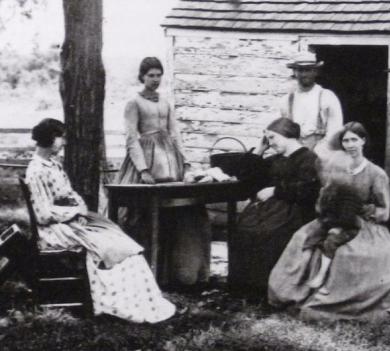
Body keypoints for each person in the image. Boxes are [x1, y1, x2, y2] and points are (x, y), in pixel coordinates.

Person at [25, 118, 175, 323]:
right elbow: (42, 213)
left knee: (122, 241)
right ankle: (116, 302)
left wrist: (80, 209)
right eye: (61, 138)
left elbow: (70, 193)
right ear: (50, 138)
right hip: (56, 228)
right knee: (112, 249)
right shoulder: (36, 171)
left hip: (72, 220)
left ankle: (143, 300)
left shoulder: (53, 165)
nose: (64, 143)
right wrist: (74, 214)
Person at [268, 122, 390, 322]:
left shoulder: (376, 173)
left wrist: (364, 209)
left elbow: (384, 211)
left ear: (363, 141)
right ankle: (292, 294)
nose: (350, 144)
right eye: (345, 140)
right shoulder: (335, 167)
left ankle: (336, 301)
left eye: (354, 140)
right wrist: (327, 203)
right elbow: (325, 198)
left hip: (363, 224)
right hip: (332, 218)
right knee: (301, 238)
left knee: (348, 251)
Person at [116, 57, 211, 287]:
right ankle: (141, 272)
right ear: (142, 76)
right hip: (146, 157)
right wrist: (143, 169)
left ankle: (171, 273)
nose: (155, 80)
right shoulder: (134, 103)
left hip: (169, 158)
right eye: (150, 75)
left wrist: (185, 161)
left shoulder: (166, 103)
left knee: (175, 212)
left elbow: (175, 133)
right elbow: (131, 138)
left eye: (159, 75)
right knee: (143, 215)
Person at [231, 117, 321, 293]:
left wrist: (276, 191)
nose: (270, 143)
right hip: (269, 210)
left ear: (288, 135)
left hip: (296, 210)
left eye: (272, 138)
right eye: (268, 139)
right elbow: (245, 179)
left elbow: (309, 190)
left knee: (268, 233)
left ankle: (268, 289)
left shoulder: (308, 158)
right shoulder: (274, 159)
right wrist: (259, 150)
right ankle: (246, 288)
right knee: (243, 227)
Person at [280, 50, 343, 152]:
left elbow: (335, 131)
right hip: (295, 154)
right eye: (300, 70)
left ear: (316, 71)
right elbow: (281, 132)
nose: (304, 74)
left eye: (308, 70)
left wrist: (318, 153)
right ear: (294, 72)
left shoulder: (327, 97)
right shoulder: (286, 100)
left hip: (322, 154)